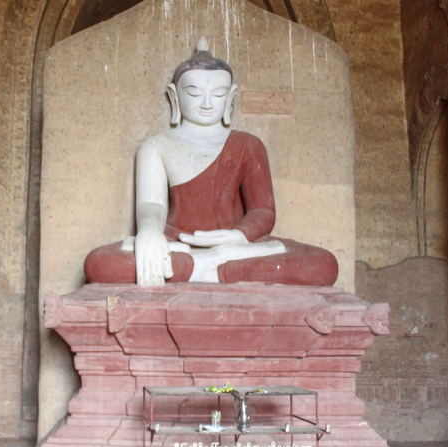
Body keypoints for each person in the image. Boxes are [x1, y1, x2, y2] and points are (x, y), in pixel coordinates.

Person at [84, 37, 338, 287]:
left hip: (235, 248)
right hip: (177, 243)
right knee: (99, 263)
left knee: (323, 264)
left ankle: (199, 268)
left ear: (230, 97)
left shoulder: (248, 144)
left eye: (218, 94)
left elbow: (263, 211)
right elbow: (152, 203)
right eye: (194, 93)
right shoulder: (156, 145)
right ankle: (215, 269)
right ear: (175, 96)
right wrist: (149, 233)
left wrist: (238, 236)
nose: (206, 103)